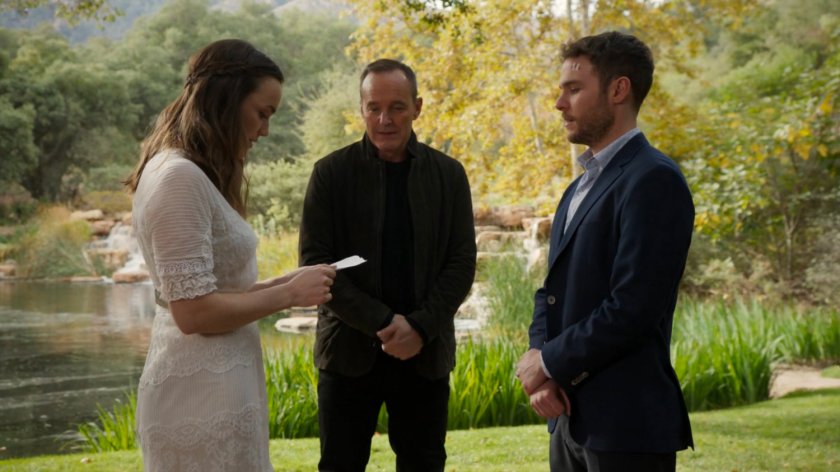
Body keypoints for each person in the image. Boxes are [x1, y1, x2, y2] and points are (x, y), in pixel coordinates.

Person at [125, 39, 336, 471]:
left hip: (219, 387)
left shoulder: (186, 172)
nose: (265, 130)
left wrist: (283, 283)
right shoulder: (178, 177)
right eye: (263, 113)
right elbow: (193, 313)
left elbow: (208, 291)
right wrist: (288, 296)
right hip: (200, 397)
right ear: (226, 100)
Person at [515, 31, 695, 472]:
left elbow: (633, 308)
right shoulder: (576, 189)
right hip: (568, 420)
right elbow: (550, 294)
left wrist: (550, 362)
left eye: (574, 89)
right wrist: (542, 370)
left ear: (618, 90)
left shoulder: (654, 179)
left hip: (627, 426)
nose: (559, 103)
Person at [299, 58, 476, 472]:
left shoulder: (448, 175)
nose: (385, 119)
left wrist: (419, 327)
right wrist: (383, 322)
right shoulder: (330, 174)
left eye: (397, 107)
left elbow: (461, 263)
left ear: (417, 107)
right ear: (361, 110)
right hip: (347, 352)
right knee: (340, 465)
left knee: (424, 464)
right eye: (374, 108)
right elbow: (316, 265)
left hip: (424, 353)